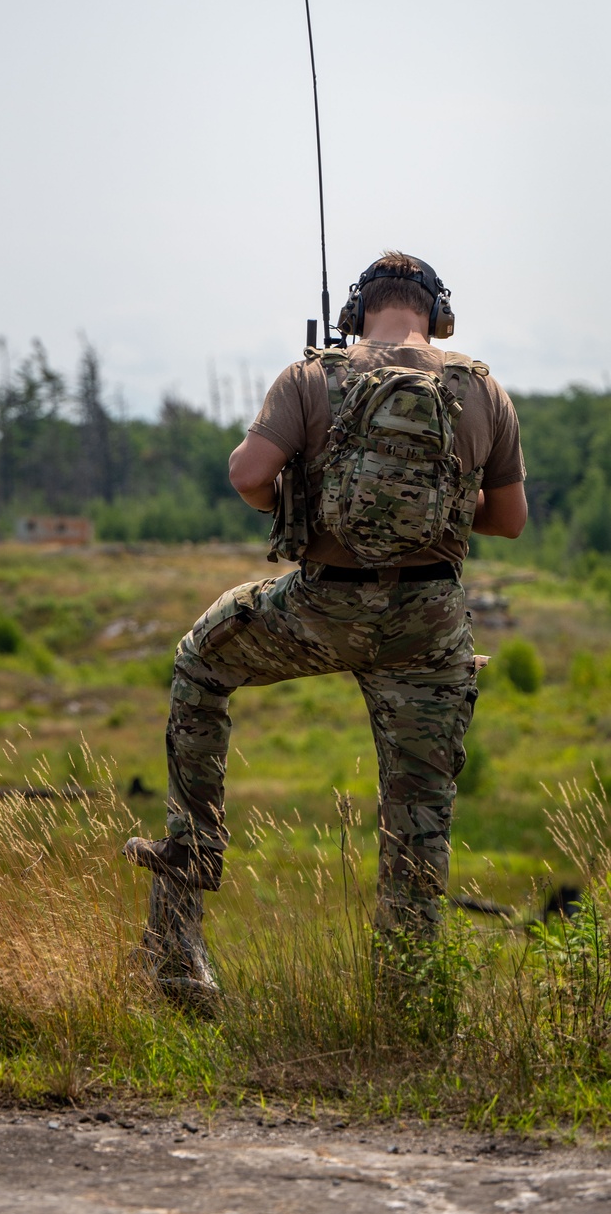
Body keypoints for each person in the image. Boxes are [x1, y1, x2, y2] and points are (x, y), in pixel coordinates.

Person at [124, 252, 527, 999]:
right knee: (417, 824)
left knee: (201, 663)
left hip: (321, 605)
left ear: (354, 313)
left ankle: (190, 878)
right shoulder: (482, 389)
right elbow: (509, 520)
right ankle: (405, 1010)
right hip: (427, 625)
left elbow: (248, 475)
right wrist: (437, 495)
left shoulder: (312, 377)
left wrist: (298, 500)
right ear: (438, 316)